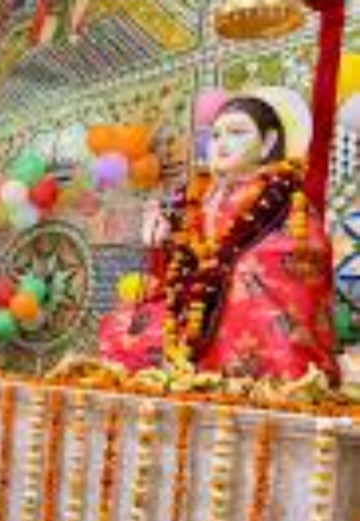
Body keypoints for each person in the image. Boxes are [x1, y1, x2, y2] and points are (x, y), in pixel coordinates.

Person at [101, 95, 338, 382]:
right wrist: (163, 237)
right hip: (195, 306)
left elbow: (303, 251)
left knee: (253, 308)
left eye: (237, 132)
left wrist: (235, 267)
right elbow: (186, 258)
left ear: (268, 142)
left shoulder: (283, 193)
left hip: (247, 307)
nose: (222, 142)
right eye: (215, 135)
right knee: (123, 325)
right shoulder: (204, 195)